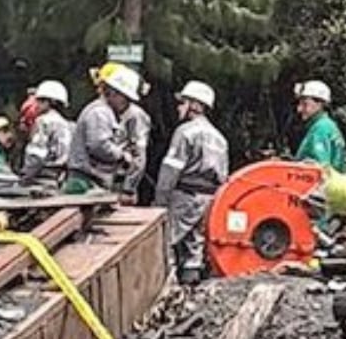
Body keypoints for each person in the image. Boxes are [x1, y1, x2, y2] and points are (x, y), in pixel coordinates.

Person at [155, 80, 229, 284]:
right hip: (210, 199)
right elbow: (224, 176)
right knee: (194, 245)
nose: (179, 107)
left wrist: (160, 201)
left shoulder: (185, 132)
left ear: (195, 105)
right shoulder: (220, 139)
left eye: (183, 102)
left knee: (165, 242)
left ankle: (166, 288)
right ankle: (192, 286)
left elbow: (171, 169)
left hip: (184, 195)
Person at [67, 62, 139, 193]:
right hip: (86, 182)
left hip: (94, 182)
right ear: (112, 92)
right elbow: (99, 145)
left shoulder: (107, 113)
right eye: (126, 98)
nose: (128, 104)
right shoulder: (100, 112)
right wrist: (122, 156)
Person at [19, 79, 73, 186]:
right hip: (60, 180)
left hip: (41, 180)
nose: (37, 104)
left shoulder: (43, 121)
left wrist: (24, 179)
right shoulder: (66, 124)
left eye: (40, 101)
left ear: (51, 102)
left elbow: (36, 156)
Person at [293, 80, 346, 172]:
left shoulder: (321, 128)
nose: (299, 109)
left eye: (305, 104)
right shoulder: (326, 125)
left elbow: (316, 169)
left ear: (319, 104)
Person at [119, 75, 153, 201]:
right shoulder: (111, 112)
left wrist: (128, 189)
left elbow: (139, 154)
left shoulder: (135, 116)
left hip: (121, 183)